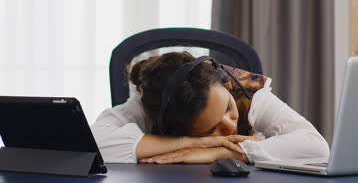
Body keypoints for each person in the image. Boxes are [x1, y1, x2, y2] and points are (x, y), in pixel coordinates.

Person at [91, 51, 329, 164]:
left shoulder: (248, 94)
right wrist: (193, 143)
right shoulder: (147, 108)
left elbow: (315, 146)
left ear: (224, 83)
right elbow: (94, 144)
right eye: (209, 130)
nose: (230, 125)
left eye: (227, 107)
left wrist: (223, 151)